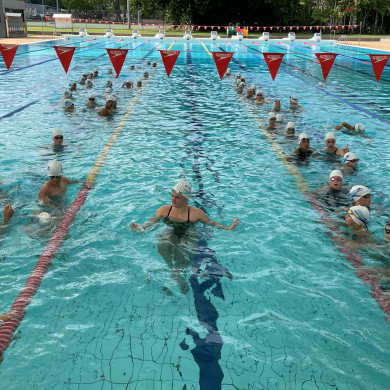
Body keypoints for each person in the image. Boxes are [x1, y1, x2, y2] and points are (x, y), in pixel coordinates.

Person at [130, 180, 238, 294]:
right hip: (170, 231)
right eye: (172, 196)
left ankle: (177, 273)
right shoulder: (164, 210)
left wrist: (228, 228)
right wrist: (140, 228)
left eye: (177, 197)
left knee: (188, 252)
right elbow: (151, 222)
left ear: (186, 199)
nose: (173, 200)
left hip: (188, 233)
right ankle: (171, 269)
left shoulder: (196, 213)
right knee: (162, 241)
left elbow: (211, 223)